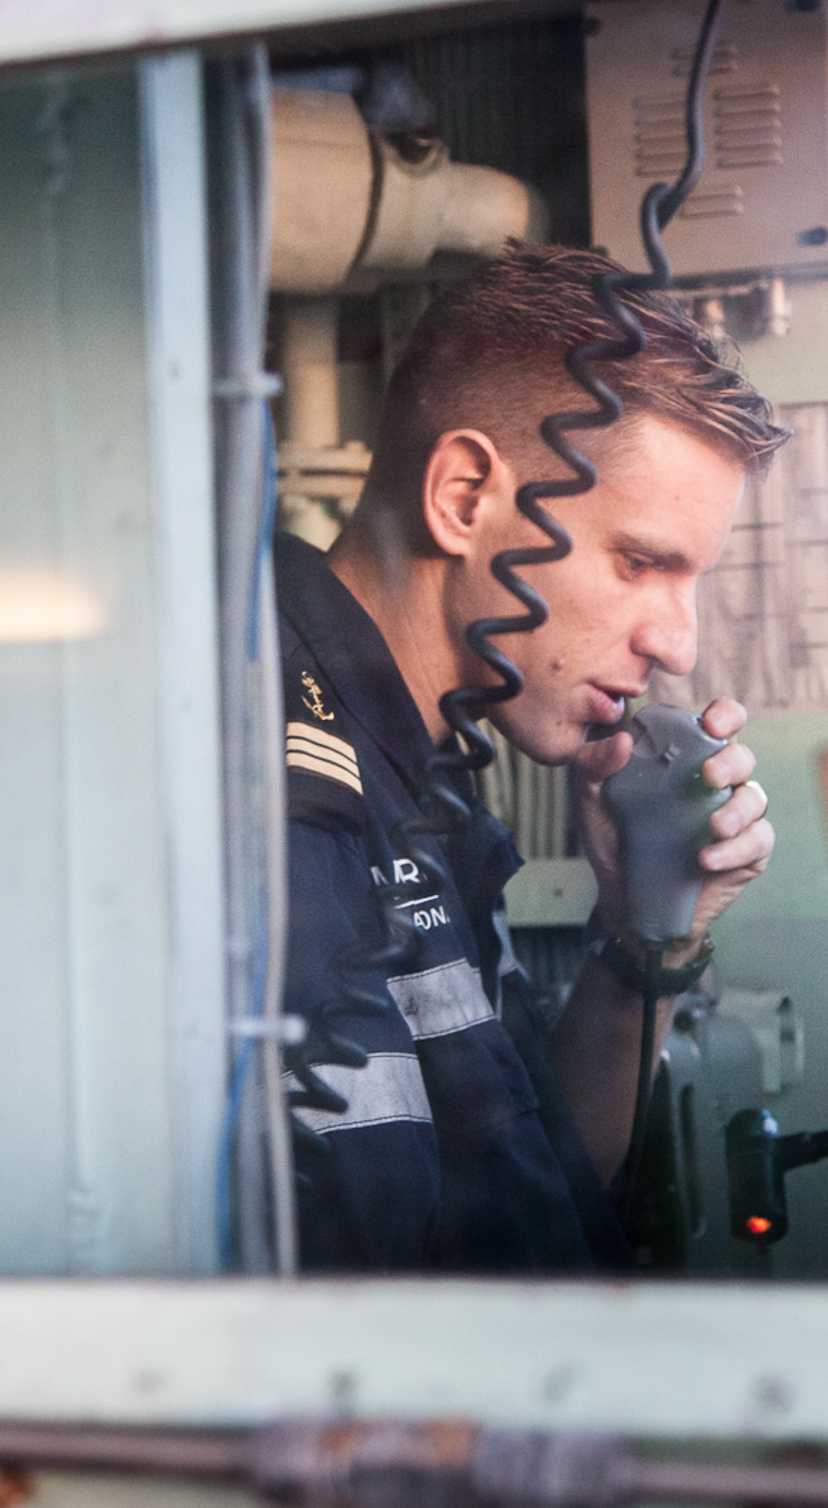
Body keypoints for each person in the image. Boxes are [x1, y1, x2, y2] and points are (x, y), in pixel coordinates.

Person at [276, 243, 785, 1272]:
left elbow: (538, 1193)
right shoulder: (265, 777)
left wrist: (646, 933)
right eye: (639, 562)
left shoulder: (434, 793)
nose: (676, 644)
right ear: (464, 498)